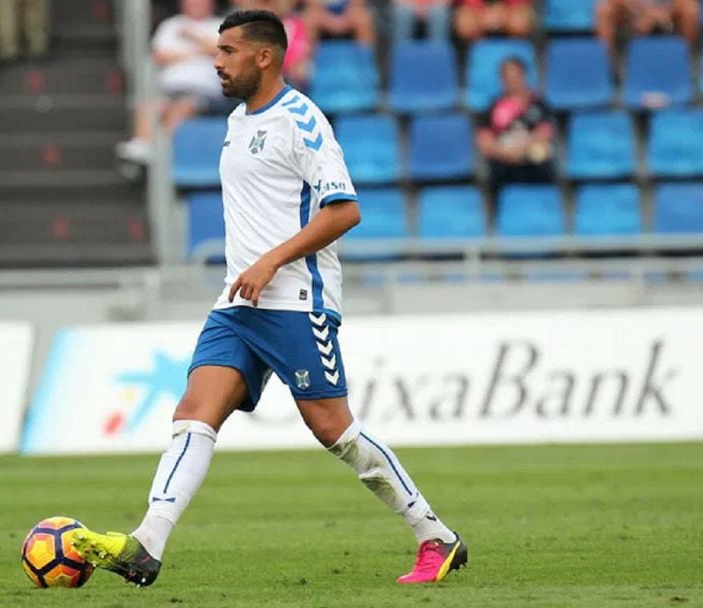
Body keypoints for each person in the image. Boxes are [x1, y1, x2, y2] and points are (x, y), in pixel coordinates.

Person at [73, 9, 467, 587]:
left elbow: (344, 210)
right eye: (216, 50)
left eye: (228, 51)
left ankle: (436, 536)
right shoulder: (236, 121)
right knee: (192, 416)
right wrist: (250, 270)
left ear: (264, 56)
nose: (216, 61)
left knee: (336, 432)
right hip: (237, 305)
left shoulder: (301, 121)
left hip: (296, 301)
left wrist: (271, 261)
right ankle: (146, 544)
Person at [117, 0, 223, 164]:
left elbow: (221, 49)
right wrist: (198, 52)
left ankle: (160, 151)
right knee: (148, 106)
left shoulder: (221, 25)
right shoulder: (171, 25)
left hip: (205, 92)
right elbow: (159, 55)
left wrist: (192, 36)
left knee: (182, 108)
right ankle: (143, 145)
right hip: (170, 89)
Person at [476, 57, 555, 197]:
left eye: (515, 75)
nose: (512, 80)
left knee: (541, 154)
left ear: (524, 76)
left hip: (532, 163)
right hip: (503, 164)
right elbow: (484, 141)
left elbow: (544, 134)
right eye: (507, 76)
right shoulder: (492, 106)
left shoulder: (539, 104)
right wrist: (504, 153)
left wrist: (522, 150)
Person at [596, 0, 702, 51]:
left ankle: (693, 75)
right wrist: (645, 12)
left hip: (669, 12)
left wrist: (662, 13)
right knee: (604, 10)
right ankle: (611, 76)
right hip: (633, 12)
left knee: (690, 10)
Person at [454, 0, 532, 42]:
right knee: (465, 24)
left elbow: (519, 3)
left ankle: (513, 51)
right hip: (477, 11)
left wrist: (502, 12)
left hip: (508, 10)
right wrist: (482, 12)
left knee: (519, 21)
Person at [304, 0, 375, 46]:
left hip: (349, 12)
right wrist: (328, 19)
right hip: (321, 13)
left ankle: (364, 61)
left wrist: (346, 18)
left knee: (362, 19)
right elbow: (312, 4)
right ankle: (308, 63)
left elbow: (358, 3)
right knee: (310, 20)